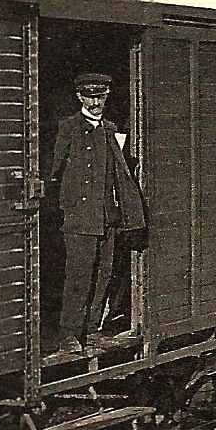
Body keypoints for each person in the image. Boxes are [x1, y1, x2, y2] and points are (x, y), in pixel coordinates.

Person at [47, 73, 146, 359]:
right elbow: (53, 171)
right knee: (79, 278)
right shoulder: (68, 128)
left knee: (102, 276)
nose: (96, 102)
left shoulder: (110, 130)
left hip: (107, 219)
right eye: (90, 96)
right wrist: (65, 207)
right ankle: (69, 334)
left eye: (101, 96)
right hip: (79, 219)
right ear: (80, 97)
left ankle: (91, 330)